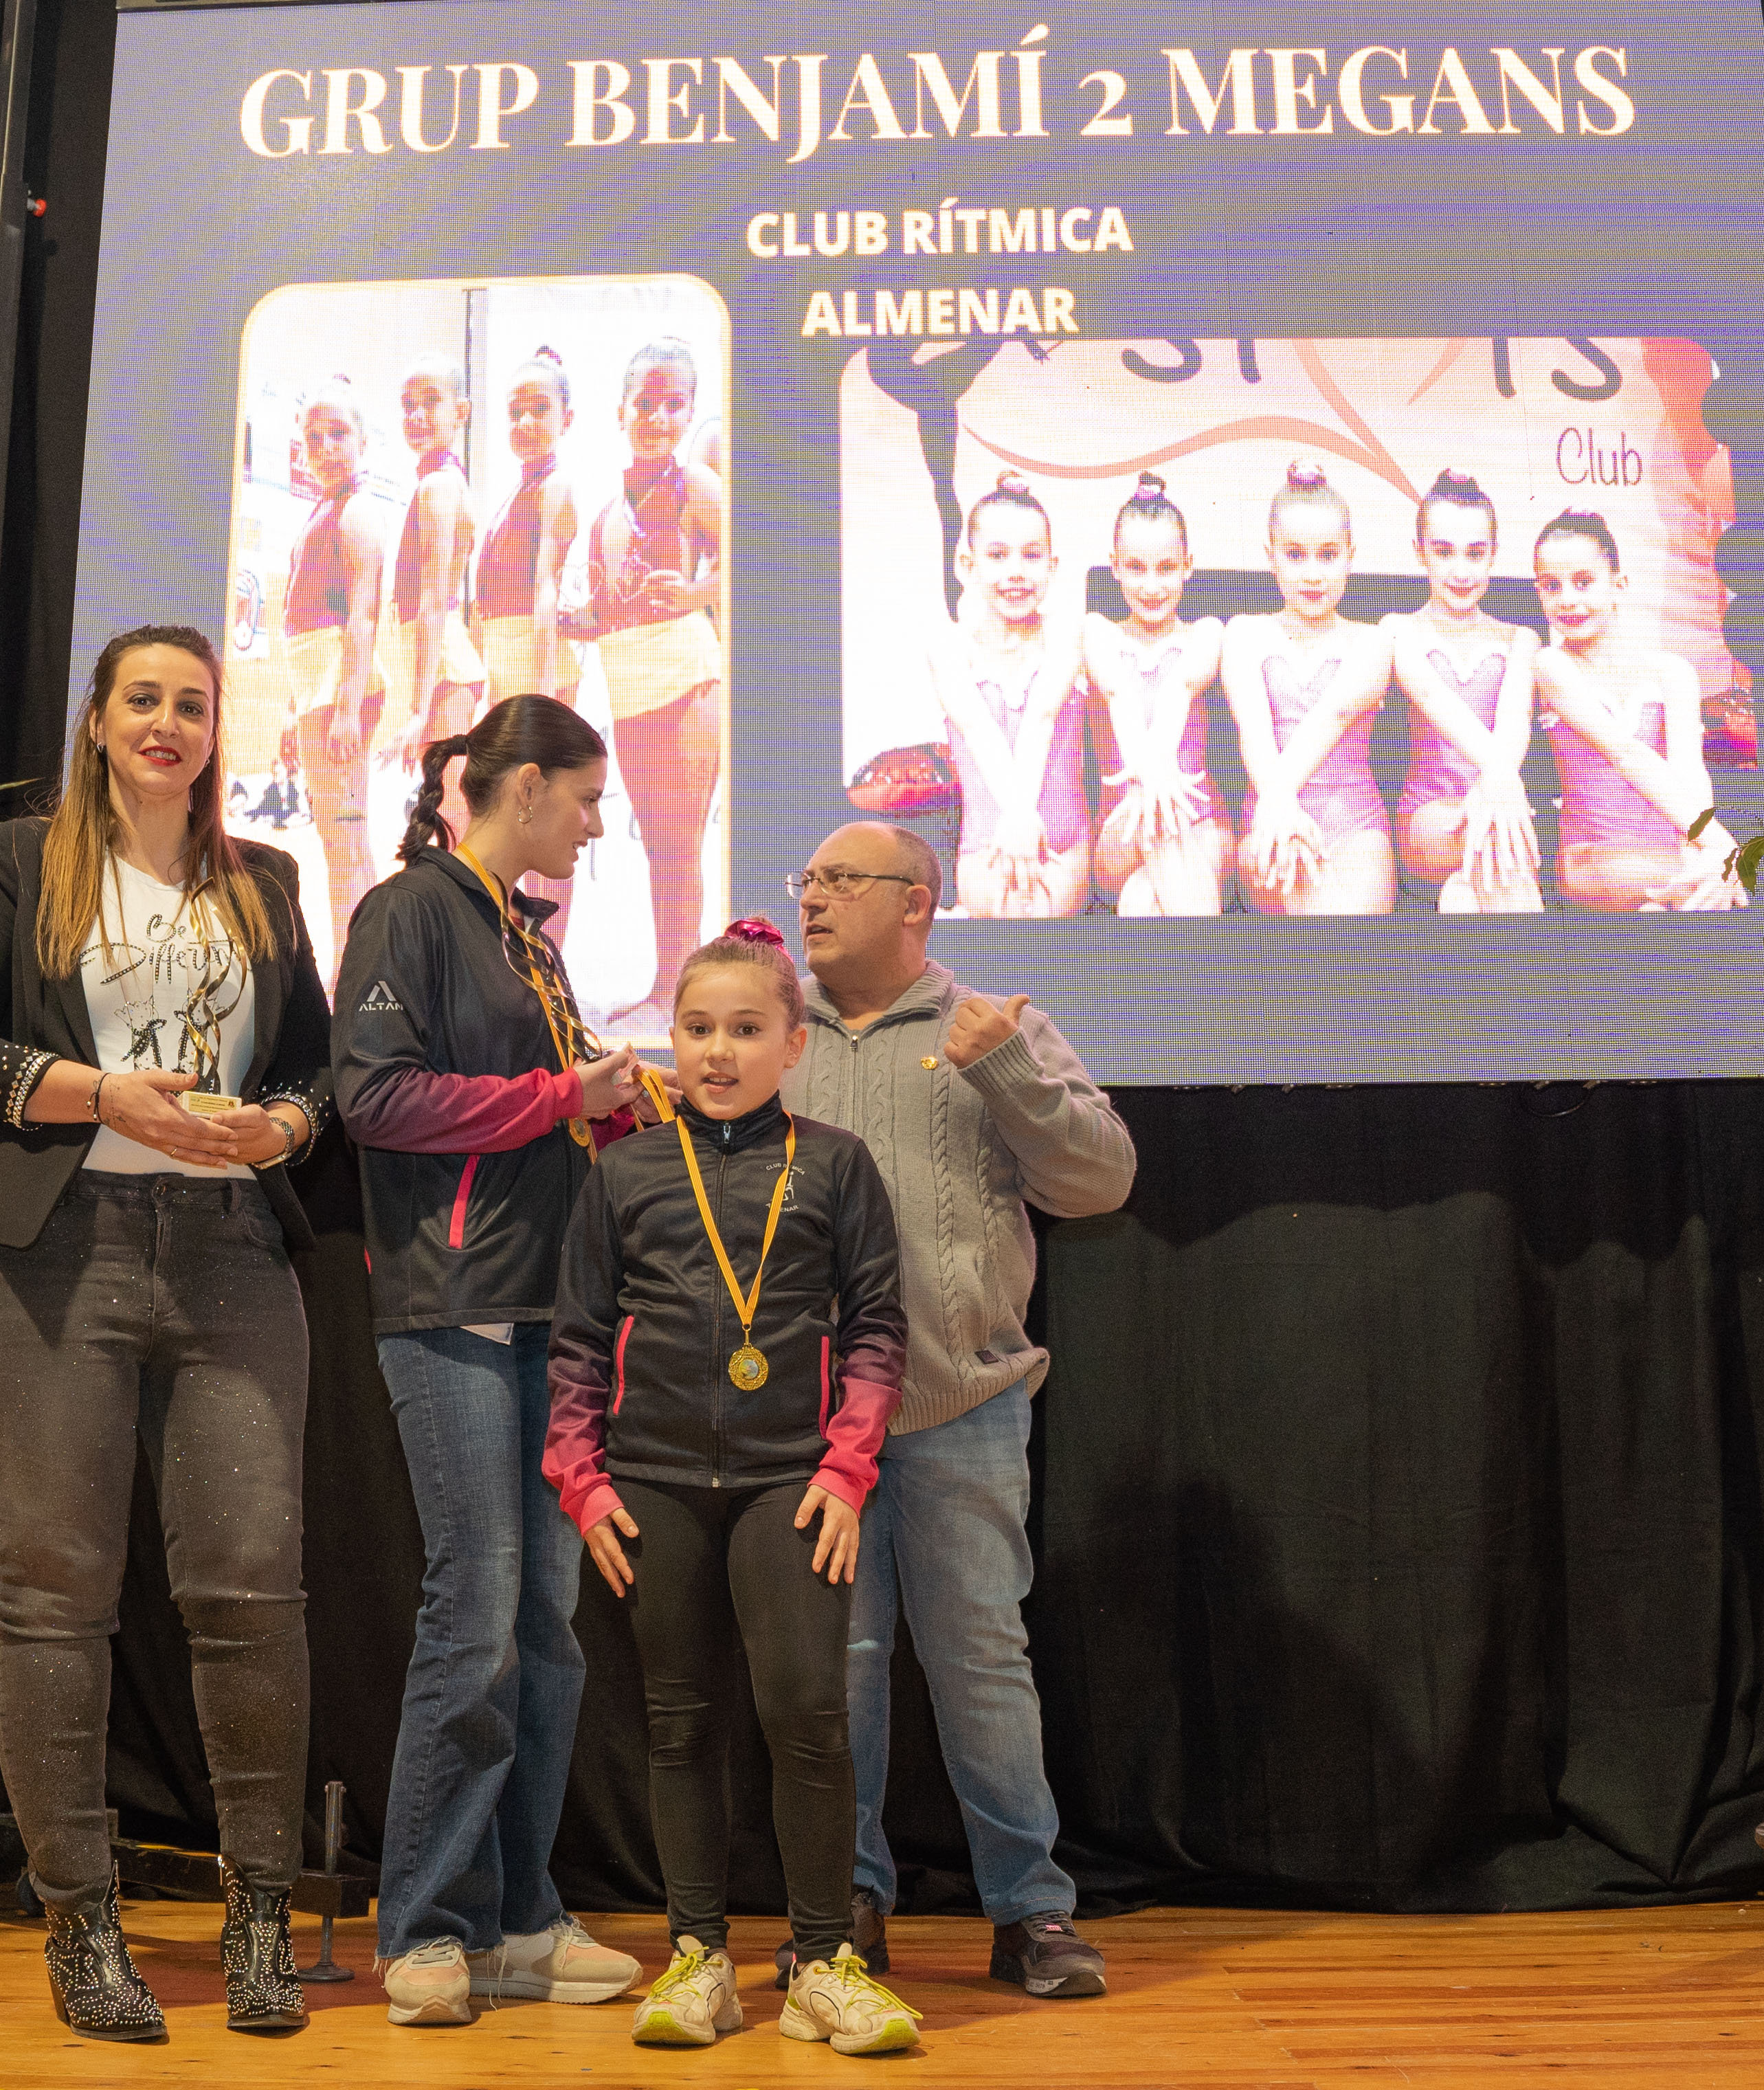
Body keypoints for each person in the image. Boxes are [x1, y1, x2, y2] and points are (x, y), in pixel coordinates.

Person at [0, 625, 333, 2041]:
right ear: (95, 719)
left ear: (214, 730)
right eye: (141, 698)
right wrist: (100, 1093)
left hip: (230, 1257)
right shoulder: (21, 861)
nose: (167, 722)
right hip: (54, 1251)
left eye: (191, 704)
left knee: (251, 1591)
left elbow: (316, 1067)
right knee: (54, 1595)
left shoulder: (265, 880)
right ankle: (81, 1925)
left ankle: (259, 1914)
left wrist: (282, 1124)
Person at [546, 918, 924, 2056]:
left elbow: (877, 1331)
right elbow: (577, 1344)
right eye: (699, 1027)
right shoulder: (623, 1170)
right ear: (671, 1036)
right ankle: (698, 1957)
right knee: (679, 1721)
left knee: (806, 1709)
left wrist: (847, 1469)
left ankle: (823, 1963)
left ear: (792, 1044)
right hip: (652, 1482)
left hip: (791, 1483)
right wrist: (582, 1483)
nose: (719, 1051)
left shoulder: (837, 1165)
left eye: (747, 1029)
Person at [331, 693, 651, 2028]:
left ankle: (520, 1918)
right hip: (451, 1304)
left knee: (542, 1634)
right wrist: (560, 1096)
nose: (595, 822)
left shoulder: (528, 935)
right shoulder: (408, 911)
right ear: (522, 787)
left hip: (546, 1312)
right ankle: (425, 1925)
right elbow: (373, 1096)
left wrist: (611, 1108)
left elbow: (544, 1109)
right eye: (585, 797)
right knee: (474, 1616)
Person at [782, 820, 1137, 1999]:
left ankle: (1030, 1912)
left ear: (915, 903)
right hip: (811, 1428)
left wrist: (1005, 1073)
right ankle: (842, 1909)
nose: (813, 899)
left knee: (982, 1666)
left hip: (962, 1409)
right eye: (808, 880)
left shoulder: (992, 1029)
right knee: (837, 1672)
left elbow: (1100, 1179)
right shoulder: (775, 1033)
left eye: (841, 880)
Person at [579, 337, 726, 1030]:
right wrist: (577, 618)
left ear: (691, 411)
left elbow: (747, 562)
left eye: (673, 405)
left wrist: (696, 592)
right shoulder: (606, 512)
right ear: (620, 410)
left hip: (685, 672)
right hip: (629, 680)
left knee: (680, 842)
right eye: (645, 403)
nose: (657, 417)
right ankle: (665, 981)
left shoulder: (698, 485)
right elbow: (602, 604)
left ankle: (678, 991)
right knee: (657, 844)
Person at [1527, 510, 1745, 911]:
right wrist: (1723, 845)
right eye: (1552, 586)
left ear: (1619, 584)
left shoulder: (1673, 672)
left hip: (1670, 854)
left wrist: (1706, 853)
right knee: (1708, 887)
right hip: (1593, 861)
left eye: (1583, 582)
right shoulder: (1550, 665)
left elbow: (1691, 775)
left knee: (1704, 890)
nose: (1568, 600)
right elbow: (1624, 753)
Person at [1222, 463, 1396, 915]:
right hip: (1269, 824)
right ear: (1271, 555)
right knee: (1308, 898)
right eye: (1296, 555)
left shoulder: (1373, 641)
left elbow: (1333, 715)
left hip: (1355, 827)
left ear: (1350, 555)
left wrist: (1277, 798)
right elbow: (1255, 732)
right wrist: (1280, 809)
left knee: (1343, 923)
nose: (1312, 574)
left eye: (1328, 555)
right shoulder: (1244, 634)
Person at [930, 472, 1088, 919]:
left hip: (1063, 844)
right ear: (968, 565)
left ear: (1052, 566)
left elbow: (1041, 718)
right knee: (1006, 914)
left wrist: (1026, 823)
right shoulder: (950, 646)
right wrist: (1018, 819)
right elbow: (979, 731)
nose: (1016, 572)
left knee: (1037, 912)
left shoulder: (1066, 634)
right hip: (986, 846)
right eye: (998, 555)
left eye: (1031, 556)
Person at [1385, 469, 1543, 911]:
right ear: (1419, 552)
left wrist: (1494, 786)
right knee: (1495, 835)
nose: (1460, 572)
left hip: (1501, 808)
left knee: (1490, 854)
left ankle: (1464, 904)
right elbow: (1431, 697)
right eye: (1444, 552)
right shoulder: (1399, 631)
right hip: (1430, 819)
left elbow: (1514, 723)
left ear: (1494, 554)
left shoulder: (1520, 640)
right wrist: (1497, 783)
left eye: (1475, 554)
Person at [1078, 471, 1225, 916]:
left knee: (1142, 900)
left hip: (1201, 824)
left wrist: (1154, 782)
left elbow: (1181, 687)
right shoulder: (1097, 632)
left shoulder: (1206, 633)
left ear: (1188, 565)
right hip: (1120, 829)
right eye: (1136, 568)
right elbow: (1119, 694)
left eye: (1166, 568)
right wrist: (1152, 782)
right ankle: (1209, 956)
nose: (1152, 586)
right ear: (1115, 566)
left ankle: (1174, 961)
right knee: (1154, 817)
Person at [282, 375, 397, 927]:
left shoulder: (357, 511)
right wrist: (292, 710)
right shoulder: (323, 509)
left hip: (338, 687)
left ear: (363, 441)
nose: (325, 448)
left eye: (338, 434)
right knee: (337, 839)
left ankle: (354, 962)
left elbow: (363, 616)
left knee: (345, 839)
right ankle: (358, 958)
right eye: (314, 437)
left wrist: (347, 709)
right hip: (316, 687)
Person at [378, 353, 489, 777]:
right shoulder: (438, 481)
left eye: (431, 401)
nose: (417, 415)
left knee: (447, 802)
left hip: (443, 664)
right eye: (409, 405)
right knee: (439, 797)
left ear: (461, 412)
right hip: (438, 663)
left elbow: (434, 599)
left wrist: (419, 711)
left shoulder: (439, 485)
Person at [473, 346, 583, 704]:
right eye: (515, 412)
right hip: (503, 651)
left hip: (538, 654)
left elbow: (546, 586)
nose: (525, 423)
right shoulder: (516, 494)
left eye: (540, 410)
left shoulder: (555, 485)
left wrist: (544, 692)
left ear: (566, 419)